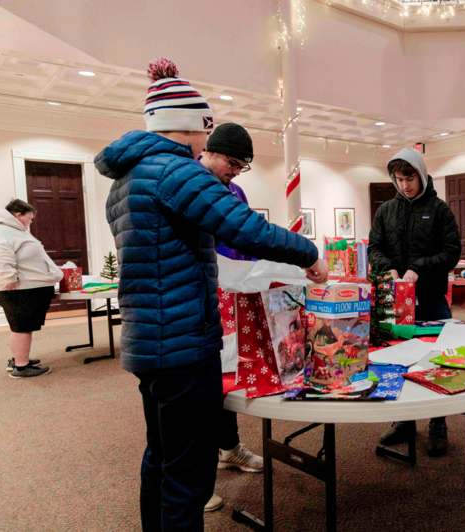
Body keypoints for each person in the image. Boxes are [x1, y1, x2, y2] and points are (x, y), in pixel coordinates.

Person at [95, 59, 327, 531]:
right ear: (188, 128)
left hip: (149, 342)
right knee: (188, 473)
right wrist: (308, 253)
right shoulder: (174, 171)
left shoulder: (127, 179)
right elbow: (244, 229)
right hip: (182, 343)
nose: (207, 142)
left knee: (161, 456)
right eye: (205, 130)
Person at [369, 148, 462, 457]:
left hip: (432, 297)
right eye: (398, 179)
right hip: (393, 301)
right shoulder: (386, 211)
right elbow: (374, 248)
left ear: (421, 175)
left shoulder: (439, 210)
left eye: (409, 178)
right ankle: (404, 421)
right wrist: (389, 269)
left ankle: (438, 423)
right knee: (397, 360)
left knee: (437, 359)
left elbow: (452, 253)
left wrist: (418, 268)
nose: (404, 185)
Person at [198, 122, 264, 513]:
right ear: (208, 150)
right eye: (232, 161)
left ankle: (229, 448)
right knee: (200, 388)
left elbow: (248, 235)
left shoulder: (234, 191)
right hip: (202, 300)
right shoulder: (190, 185)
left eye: (242, 165)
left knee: (228, 377)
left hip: (237, 297)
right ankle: (198, 475)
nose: (235, 170)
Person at [0, 199, 62, 378]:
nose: (31, 222)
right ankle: (21, 367)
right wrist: (7, 278)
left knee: (20, 326)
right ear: (18, 215)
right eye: (30, 218)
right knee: (22, 327)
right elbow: (1, 256)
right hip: (20, 290)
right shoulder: (3, 232)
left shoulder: (13, 231)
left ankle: (18, 358)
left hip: (26, 288)